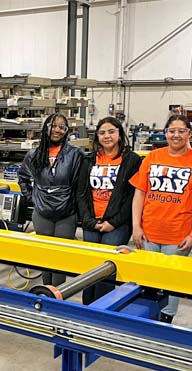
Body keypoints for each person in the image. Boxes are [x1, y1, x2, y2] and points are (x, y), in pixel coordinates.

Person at [130, 115, 192, 323]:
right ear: (165, 133)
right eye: (172, 130)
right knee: (148, 281)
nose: (176, 135)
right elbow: (140, 194)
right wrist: (136, 227)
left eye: (182, 131)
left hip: (178, 235)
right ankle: (147, 322)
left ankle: (165, 323)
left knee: (171, 284)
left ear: (189, 134)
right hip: (149, 232)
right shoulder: (153, 157)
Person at [77, 116, 141, 304]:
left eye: (111, 132)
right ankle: (87, 307)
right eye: (102, 133)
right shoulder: (88, 160)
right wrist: (88, 221)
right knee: (90, 266)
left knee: (107, 268)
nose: (107, 136)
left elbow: (131, 197)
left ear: (120, 134)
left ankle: (102, 309)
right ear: (97, 136)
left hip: (117, 224)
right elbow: (81, 193)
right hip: (91, 222)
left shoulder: (132, 160)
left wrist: (113, 222)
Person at [18, 113, 83, 287]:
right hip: (42, 213)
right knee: (45, 256)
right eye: (54, 126)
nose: (57, 130)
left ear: (67, 131)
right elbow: (23, 178)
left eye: (62, 127)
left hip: (66, 214)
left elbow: (79, 184)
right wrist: (33, 198)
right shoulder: (34, 154)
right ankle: (46, 294)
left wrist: (74, 206)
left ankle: (58, 295)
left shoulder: (75, 154)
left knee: (60, 259)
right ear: (46, 128)